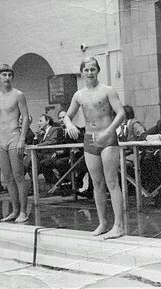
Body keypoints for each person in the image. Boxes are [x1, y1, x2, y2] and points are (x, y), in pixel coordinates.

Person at [64, 57, 125, 239]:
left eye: (93, 69)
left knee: (111, 181)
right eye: (86, 70)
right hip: (89, 139)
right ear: (82, 72)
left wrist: (109, 131)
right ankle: (103, 223)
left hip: (107, 138)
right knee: (96, 183)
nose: (89, 72)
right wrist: (69, 125)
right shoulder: (79, 95)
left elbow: (121, 113)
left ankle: (119, 225)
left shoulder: (108, 91)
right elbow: (67, 116)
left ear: (98, 71)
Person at [0, 64, 30, 222]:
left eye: (9, 74)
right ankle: (15, 210)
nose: (7, 77)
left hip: (14, 135)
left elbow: (25, 117)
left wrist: (22, 138)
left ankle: (23, 211)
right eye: (4, 75)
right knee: (7, 177)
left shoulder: (18, 95)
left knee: (19, 175)